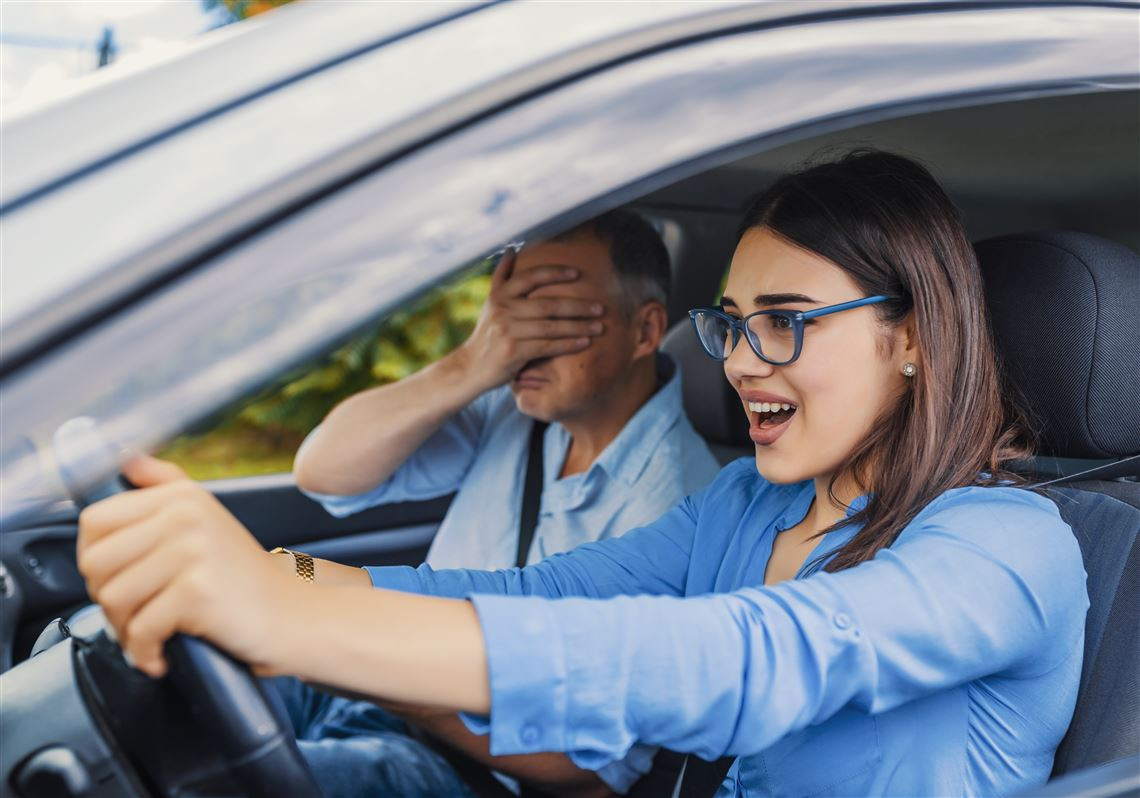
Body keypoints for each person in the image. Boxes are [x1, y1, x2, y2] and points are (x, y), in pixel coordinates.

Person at [77, 150, 1088, 797]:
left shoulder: (1005, 545)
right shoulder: (751, 505)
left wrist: (293, 622)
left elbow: (745, 661)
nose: (737, 360)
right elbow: (528, 593)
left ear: (911, 339)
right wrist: (276, 573)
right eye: (732, 325)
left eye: (784, 323)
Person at [283, 210, 722, 798]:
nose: (519, 345)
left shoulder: (678, 508)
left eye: (551, 317)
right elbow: (324, 473)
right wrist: (471, 363)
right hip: (368, 675)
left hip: (462, 764)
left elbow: (594, 772)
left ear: (644, 332)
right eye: (510, 314)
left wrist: (398, 682)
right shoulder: (513, 414)